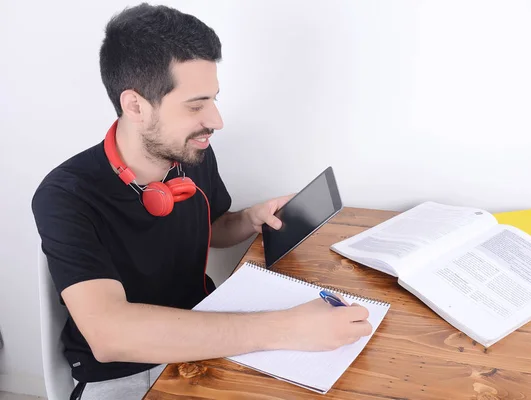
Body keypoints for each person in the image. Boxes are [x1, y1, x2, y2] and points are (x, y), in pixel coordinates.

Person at [31, 3, 372, 399]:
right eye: (196, 105)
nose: (216, 120)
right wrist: (287, 328)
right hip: (125, 372)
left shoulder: (192, 152)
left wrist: (250, 219)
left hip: (213, 335)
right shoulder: (66, 194)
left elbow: (212, 228)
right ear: (135, 105)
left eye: (213, 99)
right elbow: (111, 335)